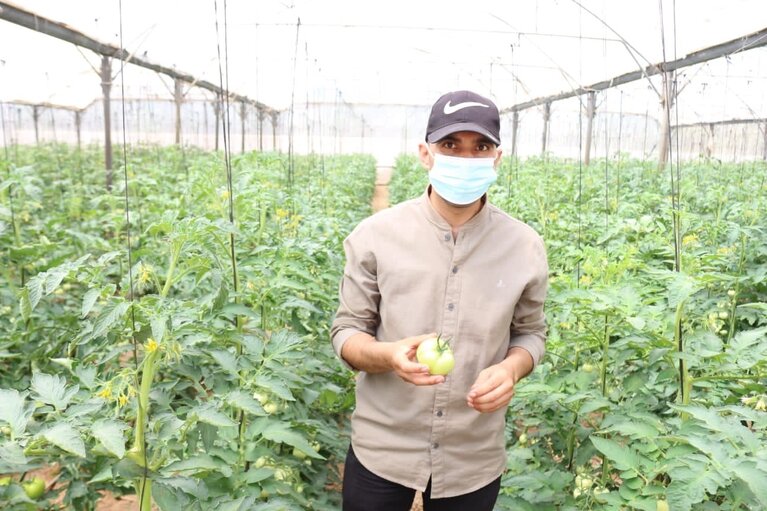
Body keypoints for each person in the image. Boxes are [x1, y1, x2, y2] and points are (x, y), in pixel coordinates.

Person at [330, 90, 548, 510]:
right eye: (451, 145)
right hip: (383, 445)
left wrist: (511, 368)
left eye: (480, 147)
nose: (465, 158)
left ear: (497, 158)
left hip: (472, 454)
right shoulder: (375, 236)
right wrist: (389, 355)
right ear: (425, 154)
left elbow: (531, 333)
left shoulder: (524, 246)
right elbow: (347, 332)